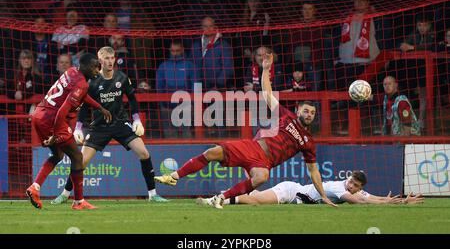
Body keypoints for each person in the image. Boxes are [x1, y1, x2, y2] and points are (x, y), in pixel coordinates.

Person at [155, 53, 336, 209]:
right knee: (211, 152)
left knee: (261, 177)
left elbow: (313, 170)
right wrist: (266, 69)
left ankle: (221, 198)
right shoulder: (286, 115)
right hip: (253, 147)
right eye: (306, 110)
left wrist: (324, 196)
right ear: (298, 111)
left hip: (265, 161)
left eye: (312, 112)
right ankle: (174, 176)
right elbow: (267, 94)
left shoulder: (308, 141)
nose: (309, 114)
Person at [51, 47, 168, 205]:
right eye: (106, 58)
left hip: (120, 123)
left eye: (112, 58)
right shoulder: (92, 81)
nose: (110, 61)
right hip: (99, 126)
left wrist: (136, 119)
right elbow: (84, 106)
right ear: (99, 61)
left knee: (144, 153)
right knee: (81, 161)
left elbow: (132, 99)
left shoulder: (122, 77)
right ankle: (65, 194)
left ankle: (153, 194)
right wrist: (78, 127)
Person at [26, 52, 112, 210]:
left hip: (40, 114)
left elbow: (80, 96)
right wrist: (55, 134)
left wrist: (100, 107)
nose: (96, 71)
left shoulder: (72, 71)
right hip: (52, 118)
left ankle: (35, 187)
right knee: (77, 157)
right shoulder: (82, 83)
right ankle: (78, 202)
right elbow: (63, 111)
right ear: (85, 66)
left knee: (58, 155)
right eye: (94, 67)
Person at [197, 170, 424, 206]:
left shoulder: (355, 189)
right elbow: (362, 201)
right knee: (255, 201)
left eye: (355, 185)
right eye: (352, 182)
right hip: (290, 192)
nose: (352, 186)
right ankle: (216, 200)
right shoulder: (339, 188)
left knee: (255, 196)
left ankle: (220, 197)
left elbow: (372, 197)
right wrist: (389, 203)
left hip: (294, 192)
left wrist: (399, 201)